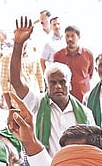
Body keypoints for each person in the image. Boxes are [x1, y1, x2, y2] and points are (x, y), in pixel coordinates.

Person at [11, 16, 94, 155]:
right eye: (53, 82)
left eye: (62, 82)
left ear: (70, 85)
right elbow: (16, 81)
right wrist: (18, 45)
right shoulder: (37, 104)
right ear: (46, 85)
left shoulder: (85, 113)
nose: (58, 87)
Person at [53, 25, 94, 102]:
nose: (69, 39)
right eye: (67, 36)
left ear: (79, 37)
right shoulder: (58, 56)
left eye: (73, 36)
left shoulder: (88, 55)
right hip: (64, 99)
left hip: (83, 99)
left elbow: (90, 74)